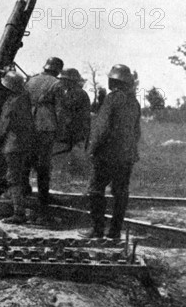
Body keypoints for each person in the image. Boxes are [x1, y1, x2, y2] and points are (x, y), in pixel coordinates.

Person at [84, 64, 141, 239]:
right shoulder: (134, 102)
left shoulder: (112, 99)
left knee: (95, 190)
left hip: (107, 154)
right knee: (121, 192)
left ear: (114, 80)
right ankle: (115, 232)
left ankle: (97, 230)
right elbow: (136, 132)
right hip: (126, 156)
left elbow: (102, 128)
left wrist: (92, 149)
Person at [0, 71, 35, 224]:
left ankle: (18, 213)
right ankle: (17, 206)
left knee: (13, 179)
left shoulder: (11, 103)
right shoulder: (25, 99)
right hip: (25, 144)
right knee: (19, 177)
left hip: (13, 145)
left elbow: (3, 128)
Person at [25, 57, 64, 211]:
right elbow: (59, 109)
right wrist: (60, 129)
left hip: (29, 124)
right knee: (44, 163)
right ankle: (43, 196)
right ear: (58, 70)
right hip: (46, 126)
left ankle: (24, 191)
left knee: (27, 159)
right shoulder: (57, 84)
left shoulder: (31, 81)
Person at [57, 68, 91, 146]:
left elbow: (67, 111)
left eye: (64, 79)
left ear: (70, 81)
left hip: (74, 134)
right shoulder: (72, 92)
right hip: (72, 134)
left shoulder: (76, 93)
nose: (61, 82)